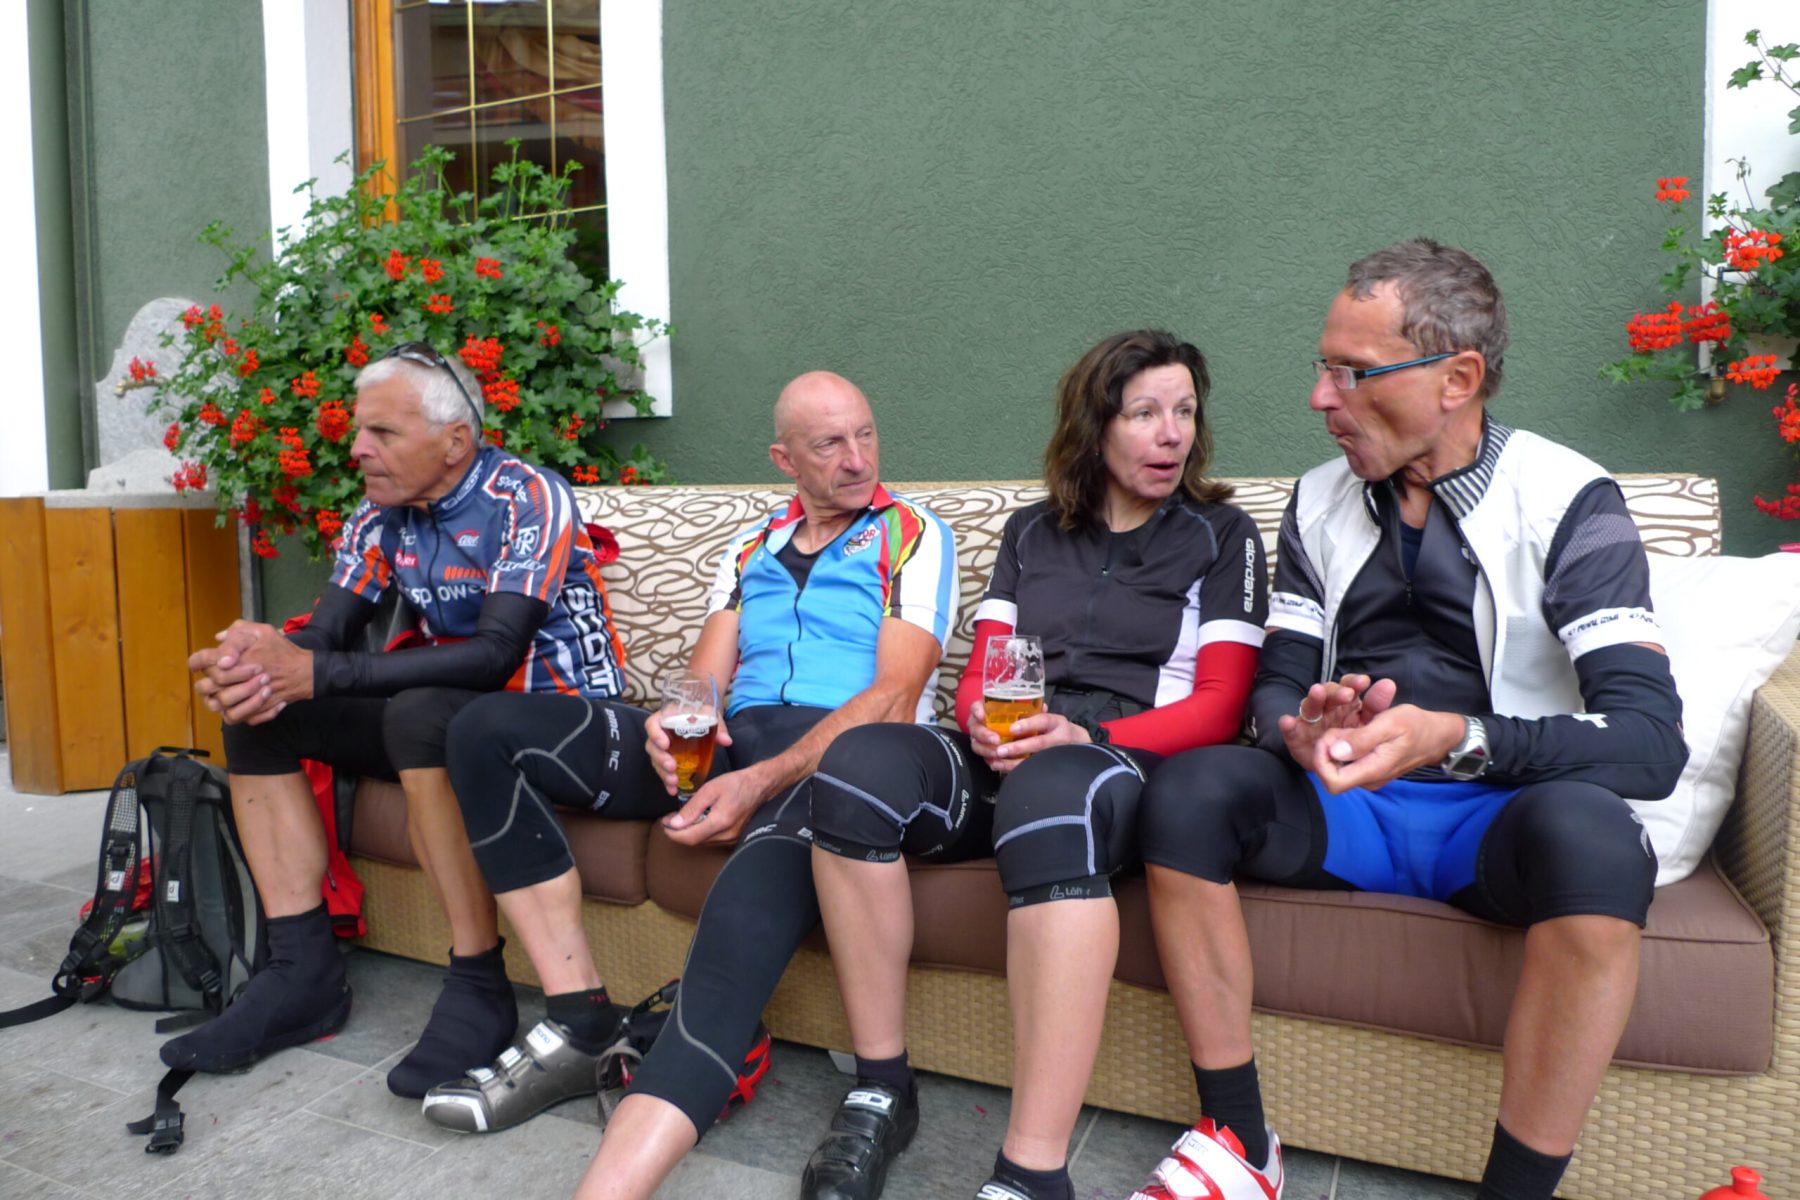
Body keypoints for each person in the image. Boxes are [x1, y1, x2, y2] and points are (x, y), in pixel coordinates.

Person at [1125, 240, 1687, 1200]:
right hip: (1348, 803)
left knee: (1597, 840)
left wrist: (1459, 738)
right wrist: (1296, 728)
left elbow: (1649, 741)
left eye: (1352, 372)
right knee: (1189, 791)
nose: (1321, 398)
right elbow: (1277, 683)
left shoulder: (1571, 502)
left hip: (1499, 816)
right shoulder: (1318, 499)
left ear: (1456, 379)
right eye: (1323, 367)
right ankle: (1239, 1141)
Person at [426, 372, 959, 1166]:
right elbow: (704, 682)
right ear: (784, 459)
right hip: (738, 746)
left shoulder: (914, 533)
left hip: (841, 760)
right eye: (829, 444)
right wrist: (675, 726)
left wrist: (759, 780)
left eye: (865, 435)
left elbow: (893, 695)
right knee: (484, 730)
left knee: (745, 897)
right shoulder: (750, 547)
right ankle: (577, 1016)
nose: (857, 459)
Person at [799, 330, 1269, 1200]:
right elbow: (984, 674)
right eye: (1144, 414)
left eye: (1184, 412)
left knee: (1052, 792)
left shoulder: (1222, 535)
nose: (1172, 433)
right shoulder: (1032, 531)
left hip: (1124, 758)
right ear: (1095, 427)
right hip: (1021, 749)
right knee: (856, 767)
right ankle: (881, 1085)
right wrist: (981, 722)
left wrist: (1089, 738)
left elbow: (1220, 706)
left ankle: (1032, 1172)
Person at [167, 343, 627, 1101]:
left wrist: (316, 671)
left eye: (382, 432)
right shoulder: (381, 513)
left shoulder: (526, 497)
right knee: (264, 715)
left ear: (455, 440)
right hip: (451, 720)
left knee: (419, 713)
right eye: (359, 430)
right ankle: (301, 972)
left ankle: (478, 981)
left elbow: (495, 654)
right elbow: (328, 634)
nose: (357, 448)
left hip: (560, 720)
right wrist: (260, 662)